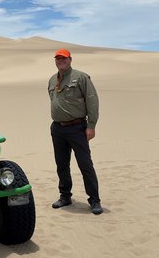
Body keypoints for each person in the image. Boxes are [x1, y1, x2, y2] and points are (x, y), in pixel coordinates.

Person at [48, 49, 103, 215]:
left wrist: (91, 125)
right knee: (62, 165)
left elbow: (92, 101)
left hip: (77, 128)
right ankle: (65, 196)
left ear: (70, 59)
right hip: (57, 128)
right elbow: (54, 100)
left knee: (85, 164)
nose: (60, 61)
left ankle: (94, 200)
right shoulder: (52, 80)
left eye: (63, 58)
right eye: (58, 58)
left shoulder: (81, 77)